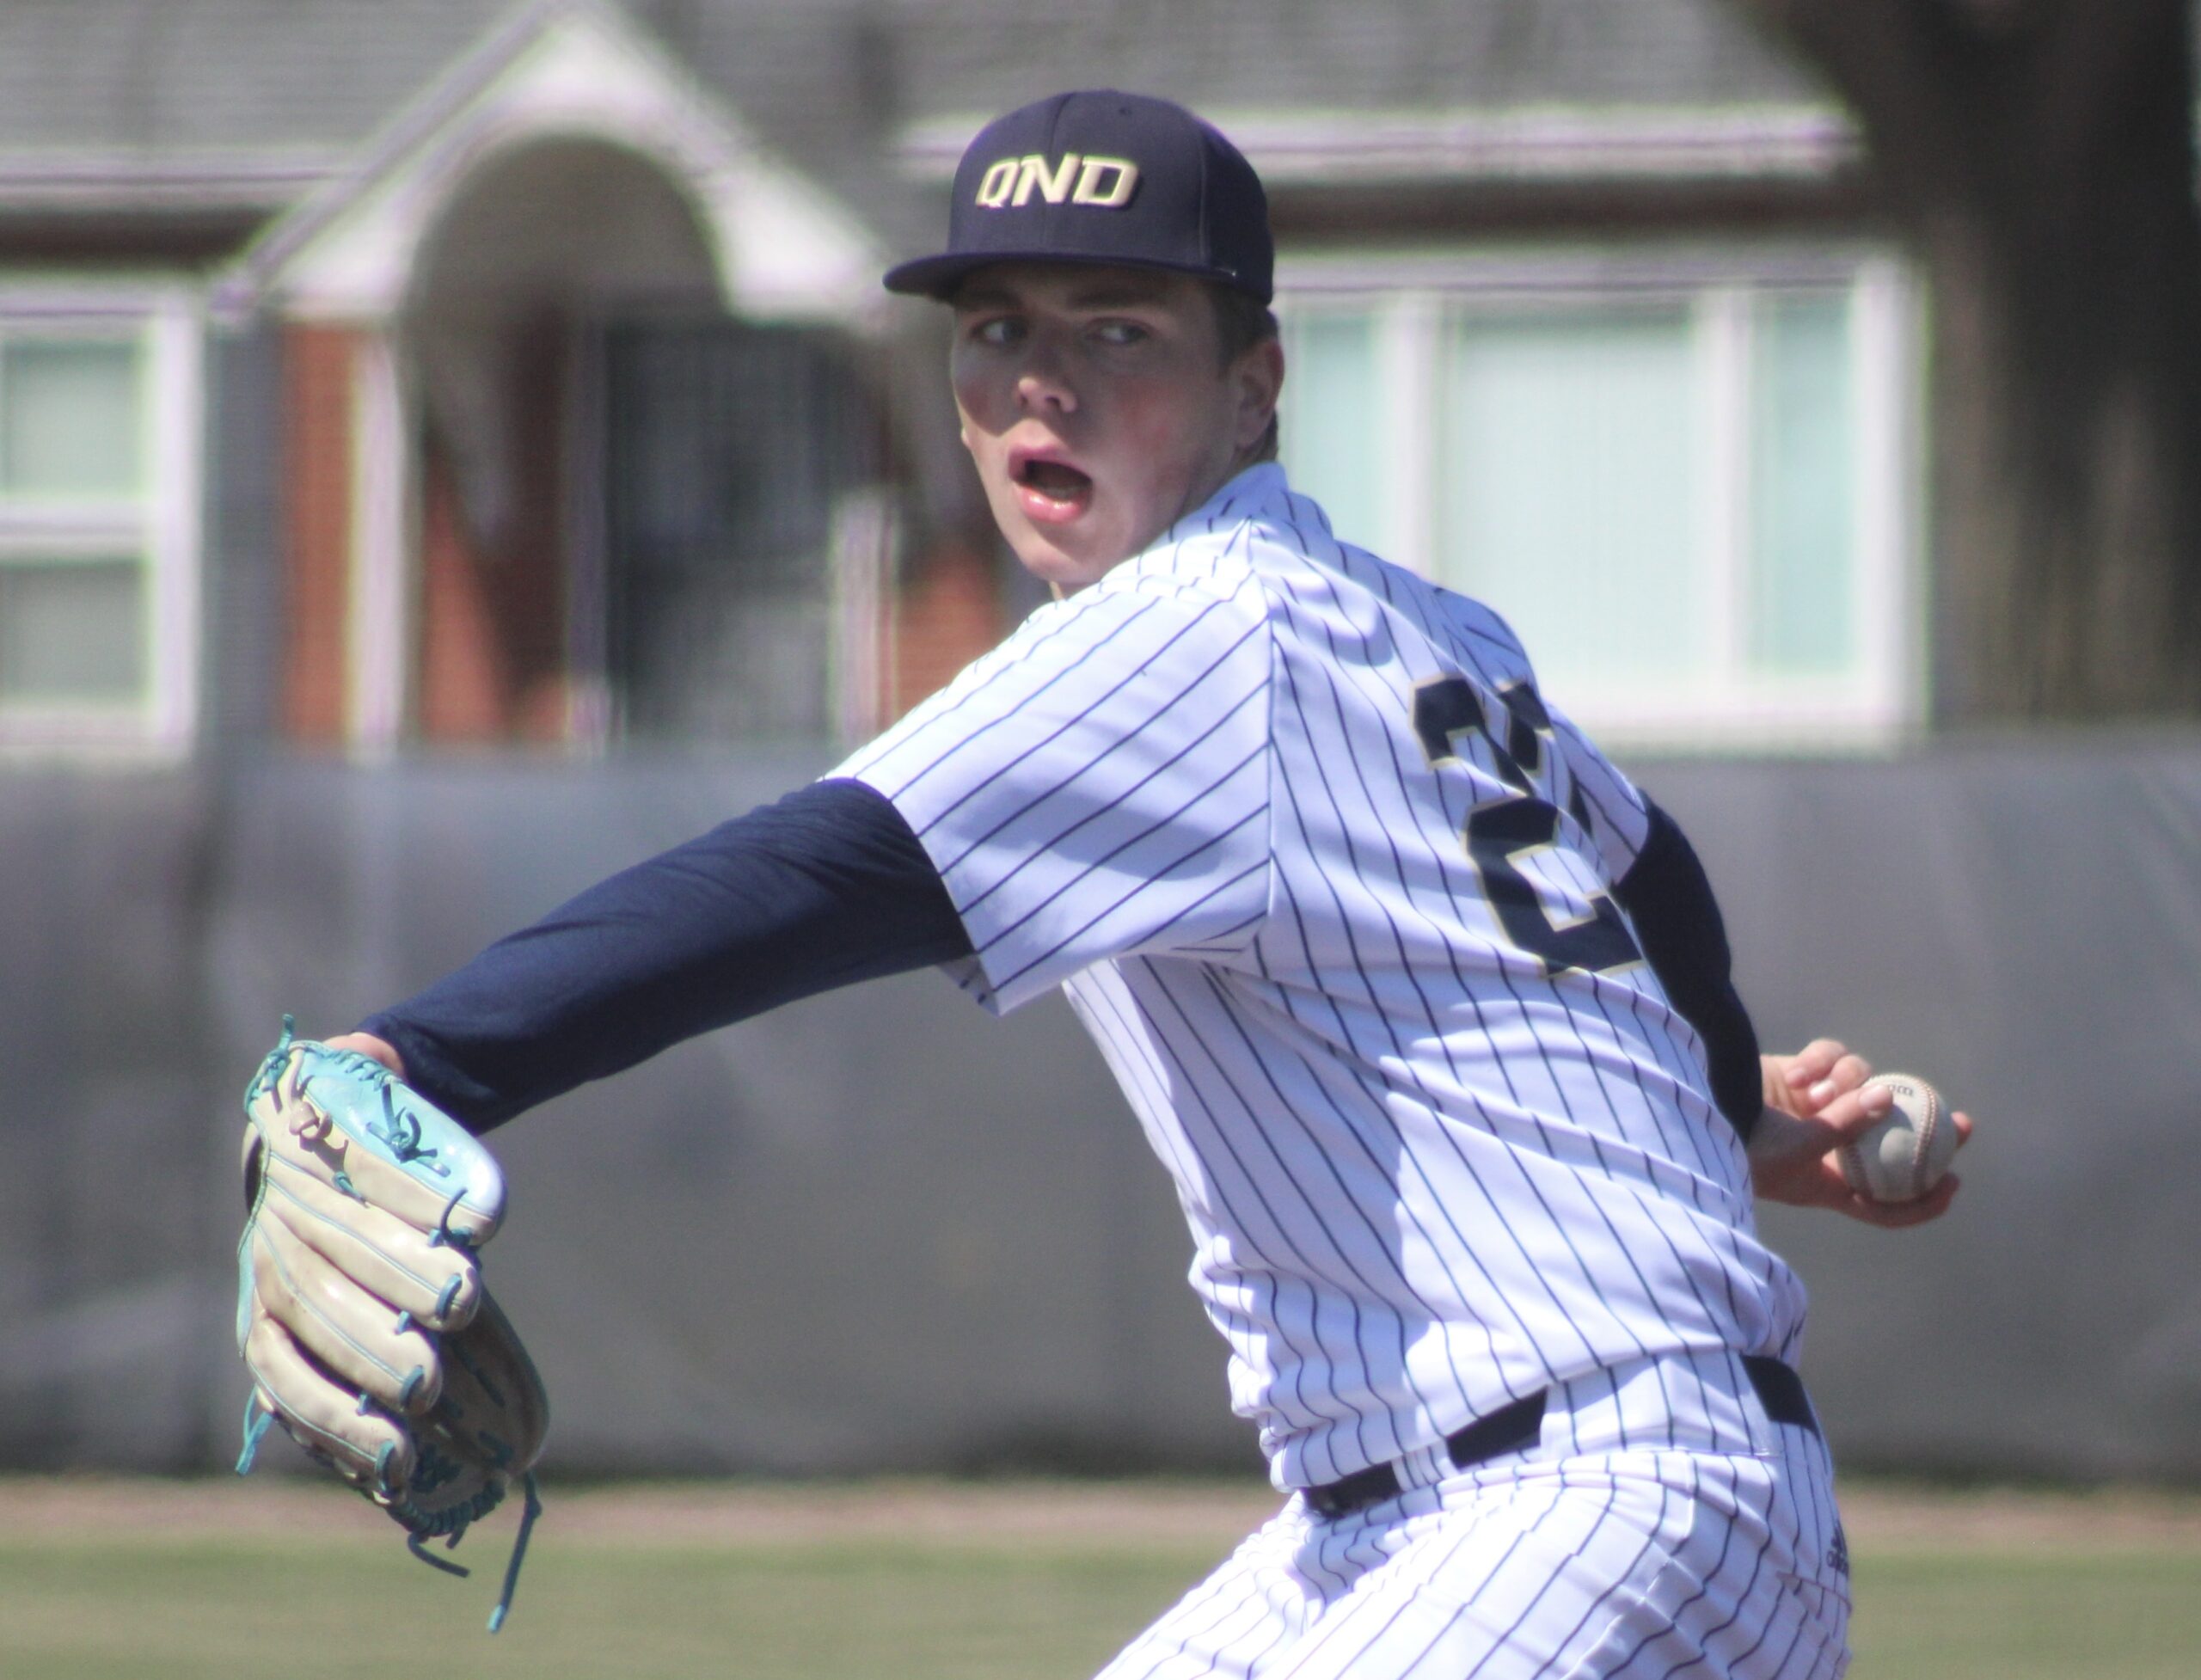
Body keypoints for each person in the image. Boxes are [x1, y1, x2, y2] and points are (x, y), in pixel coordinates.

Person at [322, 90, 1966, 1679]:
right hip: (1473, 1511)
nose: (1043, 383)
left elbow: (810, 876)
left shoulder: (1198, 628)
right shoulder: (1413, 624)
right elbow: (1649, 880)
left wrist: (425, 1057)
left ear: (1254, 388)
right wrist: (1723, 1105)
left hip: (1584, 1499)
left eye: (1118, 332)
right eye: (997, 331)